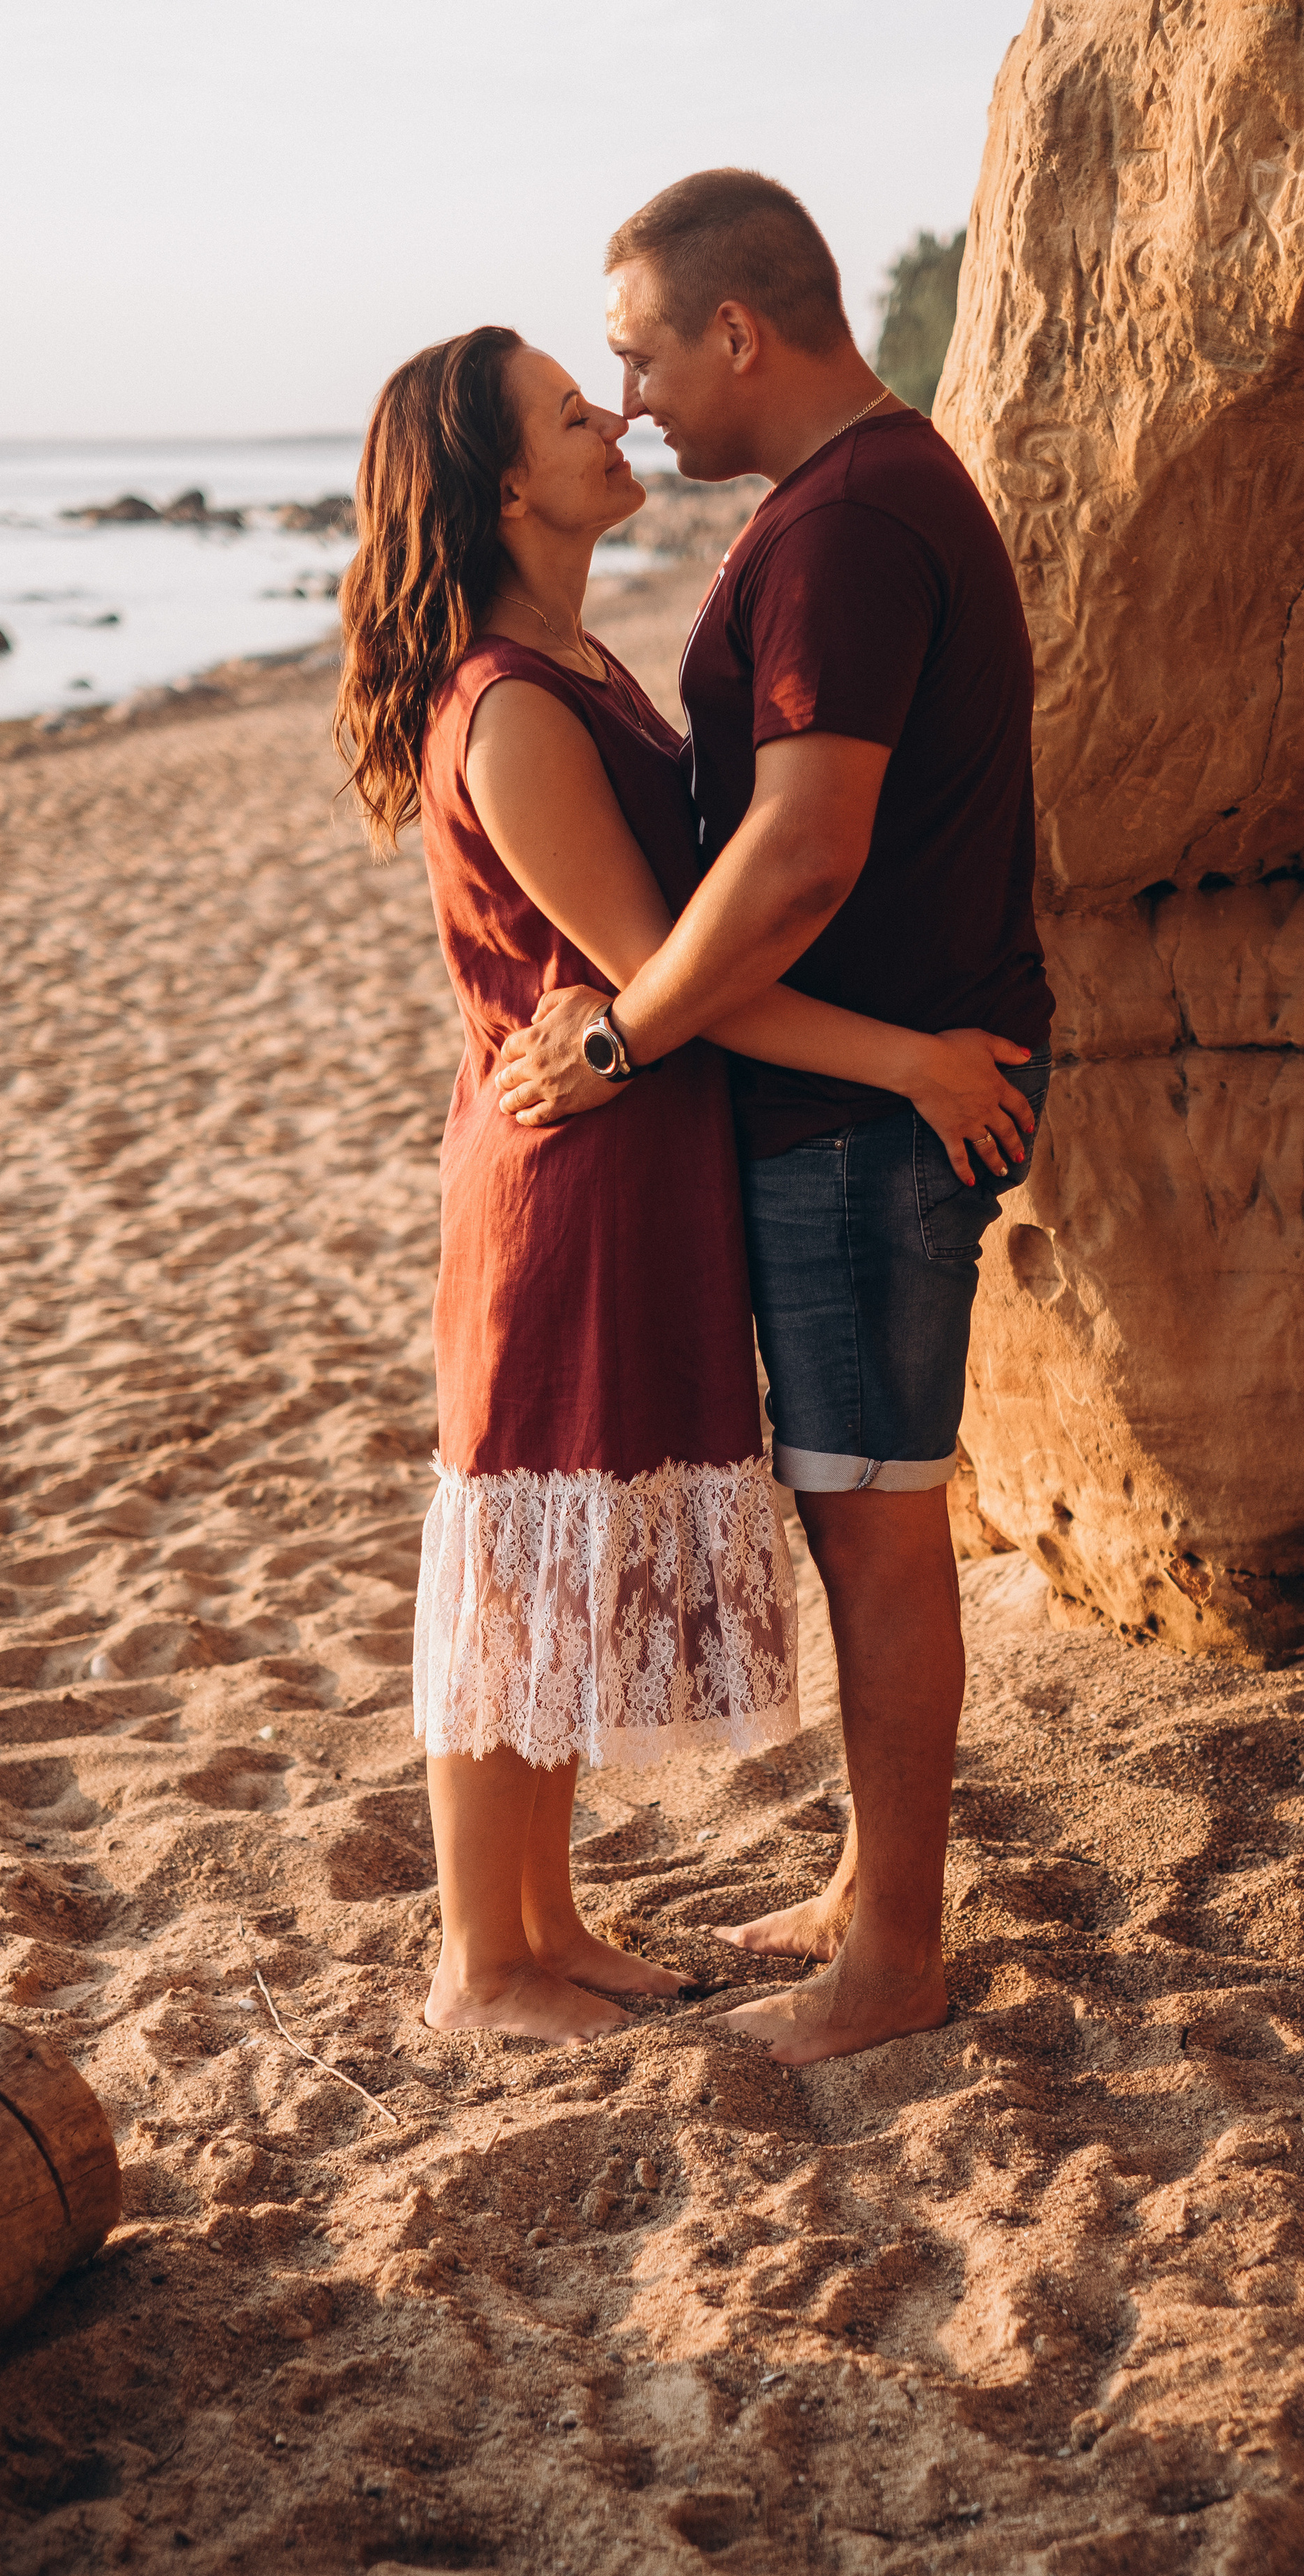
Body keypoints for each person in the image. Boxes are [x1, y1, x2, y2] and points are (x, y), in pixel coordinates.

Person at [333, 324, 1033, 2047]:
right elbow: (669, 973)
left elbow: (656, 979)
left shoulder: (568, 661)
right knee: (520, 1543)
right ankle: (479, 1964)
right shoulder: (511, 704)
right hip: (564, 1170)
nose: (614, 418)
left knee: (566, 1528)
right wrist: (907, 1059)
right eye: (571, 412)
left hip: (630, 1153)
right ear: (503, 485)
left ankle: (546, 1922)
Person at [492, 171, 1055, 2066]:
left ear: (737, 331)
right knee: (857, 1522)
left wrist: (624, 1040)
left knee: (875, 1536)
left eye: (640, 354)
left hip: (863, 1126)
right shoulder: (855, 499)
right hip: (852, 1100)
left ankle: (892, 1961)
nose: (629, 396)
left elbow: (804, 850)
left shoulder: (844, 526)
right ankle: (865, 1888)